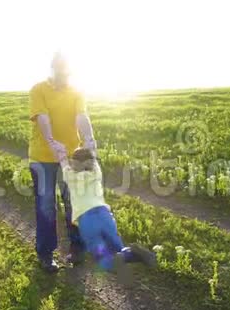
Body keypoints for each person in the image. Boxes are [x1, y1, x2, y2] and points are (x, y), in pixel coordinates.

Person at [28, 52, 97, 272]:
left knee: (74, 202)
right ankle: (46, 254)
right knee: (46, 204)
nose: (64, 74)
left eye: (67, 71)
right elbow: (42, 117)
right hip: (43, 157)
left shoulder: (76, 92)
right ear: (53, 69)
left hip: (70, 158)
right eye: (60, 70)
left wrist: (88, 138)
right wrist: (50, 140)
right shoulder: (39, 90)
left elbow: (81, 116)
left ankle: (77, 248)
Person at [60, 147, 157, 283]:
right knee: (119, 248)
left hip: (87, 221)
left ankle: (115, 264)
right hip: (104, 216)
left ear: (74, 164)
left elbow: (63, 162)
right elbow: (92, 155)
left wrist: (63, 155)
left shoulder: (70, 176)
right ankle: (134, 253)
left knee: (102, 257)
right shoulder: (97, 172)